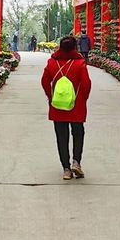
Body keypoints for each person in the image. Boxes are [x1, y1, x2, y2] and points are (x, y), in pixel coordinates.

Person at [41, 35, 92, 180]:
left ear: (60, 47)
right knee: (78, 133)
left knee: (61, 137)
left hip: (58, 106)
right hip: (76, 104)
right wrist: (83, 99)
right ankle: (76, 162)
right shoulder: (80, 63)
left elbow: (44, 81)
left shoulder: (52, 63)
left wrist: (51, 97)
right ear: (75, 47)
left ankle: (66, 169)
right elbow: (87, 84)